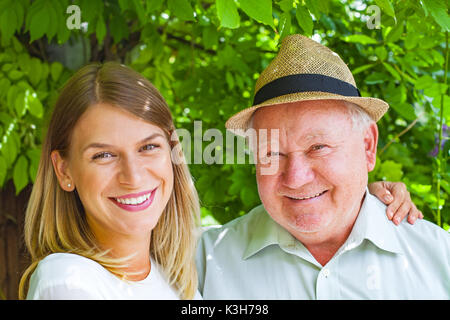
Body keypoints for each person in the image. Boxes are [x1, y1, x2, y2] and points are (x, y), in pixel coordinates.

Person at [196, 34, 450, 299]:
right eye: (271, 153)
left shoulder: (439, 259)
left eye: (318, 147)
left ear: (367, 146)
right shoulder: (204, 264)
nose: (295, 178)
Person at [19, 62, 201, 299]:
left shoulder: (176, 283)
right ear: (64, 171)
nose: (133, 177)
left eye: (148, 147)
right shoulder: (68, 280)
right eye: (103, 155)